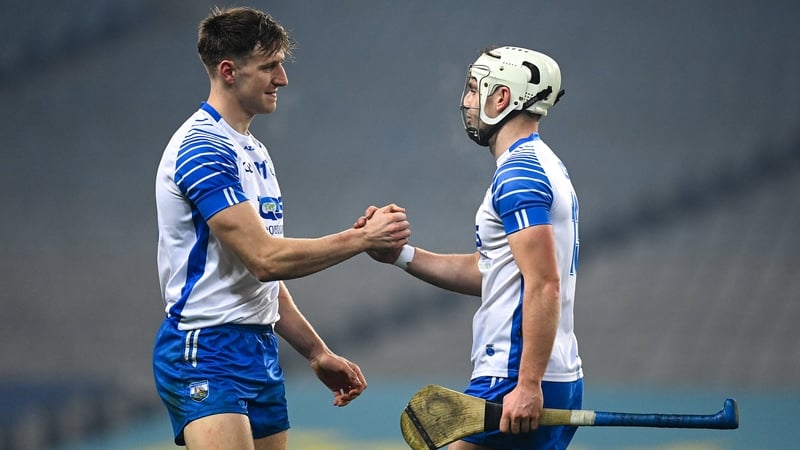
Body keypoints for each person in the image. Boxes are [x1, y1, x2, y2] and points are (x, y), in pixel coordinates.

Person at [152, 7, 410, 450]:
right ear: (229, 71)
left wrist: (315, 352)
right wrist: (362, 238)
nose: (283, 78)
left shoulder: (254, 152)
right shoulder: (202, 148)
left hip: (257, 348)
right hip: (205, 347)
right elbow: (266, 260)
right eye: (269, 66)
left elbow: (256, 279)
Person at [361, 46, 583, 449]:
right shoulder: (543, 164)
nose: (465, 101)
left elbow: (544, 282)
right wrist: (401, 256)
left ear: (501, 98)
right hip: (544, 374)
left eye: (473, 89)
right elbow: (496, 274)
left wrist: (528, 383)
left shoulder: (519, 173)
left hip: (514, 375)